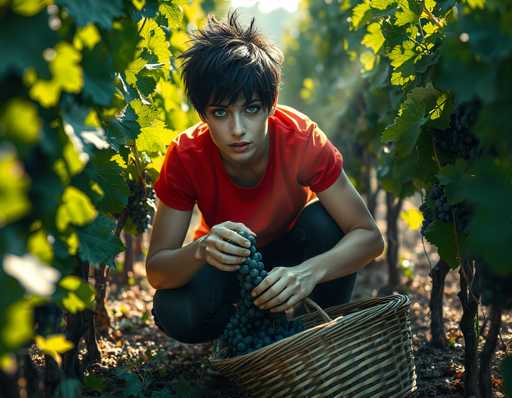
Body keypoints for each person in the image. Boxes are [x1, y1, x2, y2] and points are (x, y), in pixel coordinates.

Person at [146, 11, 385, 344]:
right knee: (173, 308)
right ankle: (245, 336)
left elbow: (370, 237)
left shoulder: (301, 139)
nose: (238, 129)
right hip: (230, 266)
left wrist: (308, 273)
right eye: (220, 113)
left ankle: (313, 334)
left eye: (251, 109)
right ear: (202, 114)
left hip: (294, 254)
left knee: (325, 221)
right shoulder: (186, 157)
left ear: (271, 105)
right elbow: (157, 269)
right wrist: (201, 249)